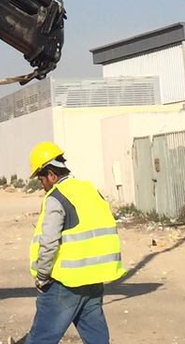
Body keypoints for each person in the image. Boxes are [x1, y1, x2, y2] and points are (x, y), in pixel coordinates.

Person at [24, 142, 125, 344]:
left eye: (41, 179)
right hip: (93, 280)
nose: (42, 186)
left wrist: (42, 277)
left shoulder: (57, 197)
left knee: (41, 338)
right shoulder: (89, 190)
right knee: (97, 339)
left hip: (65, 284)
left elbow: (49, 243)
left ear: (51, 175)